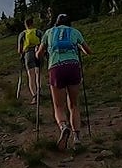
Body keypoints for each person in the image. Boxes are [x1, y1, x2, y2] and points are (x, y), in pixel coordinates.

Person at [36, 13, 91, 150]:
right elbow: (88, 51)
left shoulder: (49, 32)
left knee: (58, 106)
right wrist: (78, 48)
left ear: (56, 22)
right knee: (74, 104)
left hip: (56, 68)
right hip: (73, 66)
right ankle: (76, 137)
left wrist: (38, 51)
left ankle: (63, 126)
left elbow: (39, 55)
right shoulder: (75, 32)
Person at [16, 16, 43, 102]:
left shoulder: (22, 34)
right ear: (32, 23)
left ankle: (35, 96)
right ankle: (39, 92)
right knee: (38, 73)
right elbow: (43, 44)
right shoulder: (38, 32)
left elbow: (19, 50)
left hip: (28, 54)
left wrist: (22, 54)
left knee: (31, 76)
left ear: (25, 24)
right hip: (38, 52)